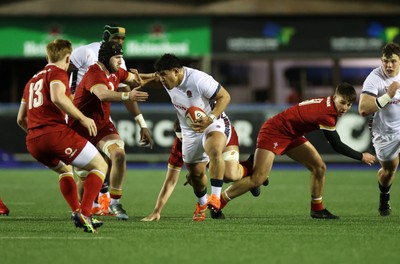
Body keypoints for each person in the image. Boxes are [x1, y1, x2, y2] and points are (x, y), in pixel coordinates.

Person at [214, 83, 375, 219]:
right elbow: (336, 145)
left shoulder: (329, 104)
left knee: (319, 167)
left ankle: (317, 208)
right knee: (257, 179)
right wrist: (361, 156)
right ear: (334, 97)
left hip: (292, 134)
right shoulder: (327, 114)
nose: (345, 108)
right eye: (342, 102)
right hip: (275, 131)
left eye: (348, 104)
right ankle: (218, 203)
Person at [16, 39, 108, 233]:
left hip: (33, 141)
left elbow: (21, 119)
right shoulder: (58, 73)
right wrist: (82, 118)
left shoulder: (31, 81)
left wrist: (38, 135)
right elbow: (58, 97)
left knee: (65, 170)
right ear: (67, 58)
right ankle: (85, 213)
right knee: (100, 166)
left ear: (47, 56)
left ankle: (76, 211)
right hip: (55, 134)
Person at [152, 53, 254, 221]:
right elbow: (170, 180)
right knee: (196, 175)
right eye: (159, 75)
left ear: (176, 71)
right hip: (191, 130)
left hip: (213, 121)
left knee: (226, 169)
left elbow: (225, 96)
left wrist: (210, 118)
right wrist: (157, 210)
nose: (160, 78)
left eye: (163, 74)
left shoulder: (198, 79)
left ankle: (216, 196)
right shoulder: (167, 82)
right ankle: (202, 204)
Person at [69, 24, 154, 216]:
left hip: (102, 124)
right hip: (80, 125)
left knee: (119, 154)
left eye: (121, 57)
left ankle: (114, 202)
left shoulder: (117, 70)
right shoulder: (93, 72)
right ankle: (81, 211)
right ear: (107, 58)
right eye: (118, 58)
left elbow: (134, 80)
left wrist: (153, 76)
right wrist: (127, 96)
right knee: (85, 176)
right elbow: (103, 95)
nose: (121, 61)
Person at [141, 119, 257, 222]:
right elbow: (171, 180)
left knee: (230, 175)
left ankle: (250, 167)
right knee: (193, 176)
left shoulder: (208, 131)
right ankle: (205, 204)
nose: (184, 141)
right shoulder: (179, 145)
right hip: (207, 151)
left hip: (222, 137)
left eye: (186, 138)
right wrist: (157, 210)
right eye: (181, 139)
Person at [358, 42, 400, 217]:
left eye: (393, 61)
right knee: (389, 170)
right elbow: (363, 109)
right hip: (385, 133)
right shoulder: (375, 77)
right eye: (385, 61)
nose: (388, 65)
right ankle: (384, 195)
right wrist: (388, 95)